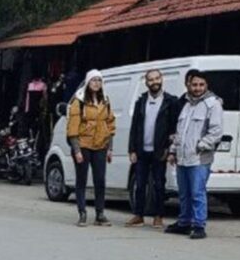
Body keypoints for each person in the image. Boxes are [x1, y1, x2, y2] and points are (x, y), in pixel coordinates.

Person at [166, 71, 223, 240]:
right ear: (189, 85)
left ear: (206, 86)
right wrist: (173, 151)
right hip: (183, 158)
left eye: (201, 85)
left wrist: (200, 146)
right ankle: (184, 222)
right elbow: (179, 132)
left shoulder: (213, 105)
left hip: (199, 158)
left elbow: (216, 131)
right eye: (194, 84)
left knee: (197, 193)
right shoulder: (187, 105)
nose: (197, 88)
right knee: (184, 193)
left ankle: (199, 225)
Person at [66, 69, 116, 227]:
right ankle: (82, 212)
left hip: (100, 144)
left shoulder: (105, 100)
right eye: (93, 80)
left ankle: (100, 214)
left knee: (100, 180)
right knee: (81, 180)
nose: (96, 83)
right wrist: (76, 150)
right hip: (83, 145)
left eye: (99, 81)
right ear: (88, 82)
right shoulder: (78, 101)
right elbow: (73, 128)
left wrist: (110, 148)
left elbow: (110, 125)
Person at [127, 69, 175, 228]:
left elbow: (173, 128)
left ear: (162, 79)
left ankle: (159, 216)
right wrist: (132, 149)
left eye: (156, 78)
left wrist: (170, 149)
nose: (154, 82)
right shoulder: (140, 102)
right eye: (150, 79)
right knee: (139, 185)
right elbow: (134, 127)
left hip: (160, 151)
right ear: (146, 82)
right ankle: (138, 215)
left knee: (159, 184)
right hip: (141, 151)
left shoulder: (170, 102)